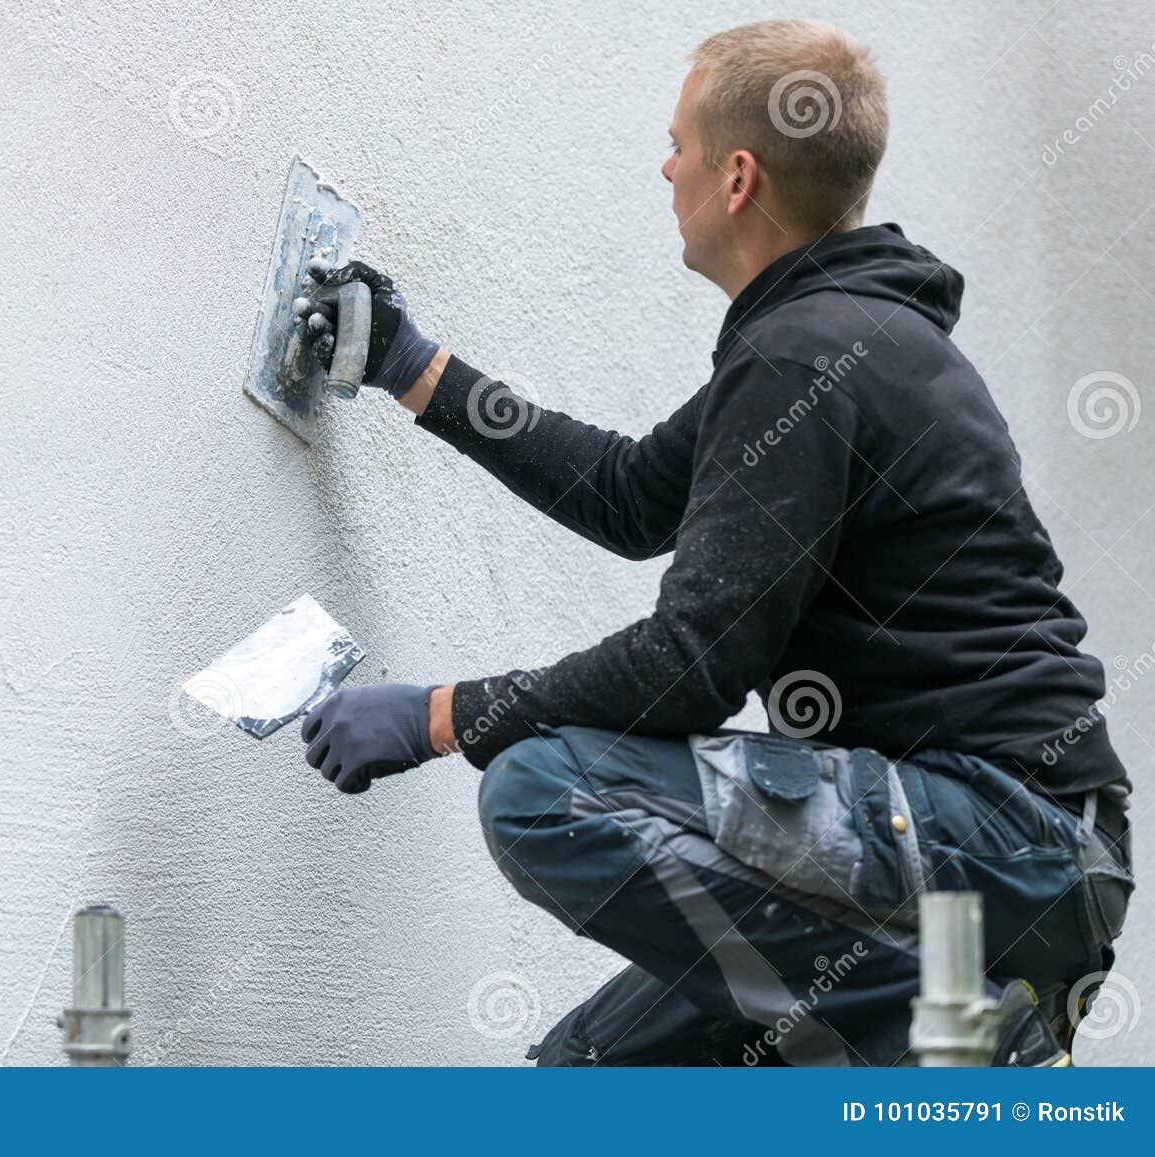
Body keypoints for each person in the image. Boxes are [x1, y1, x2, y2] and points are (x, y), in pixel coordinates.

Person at [295, 18, 1133, 1066]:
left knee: (544, 790)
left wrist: (438, 716)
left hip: (1010, 838)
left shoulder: (808, 352)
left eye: (678, 144)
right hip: (1006, 853)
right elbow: (630, 496)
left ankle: (942, 1030)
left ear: (736, 176)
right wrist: (416, 367)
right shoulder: (834, 339)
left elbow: (691, 665)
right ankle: (907, 1033)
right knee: (581, 1078)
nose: (665, 166)